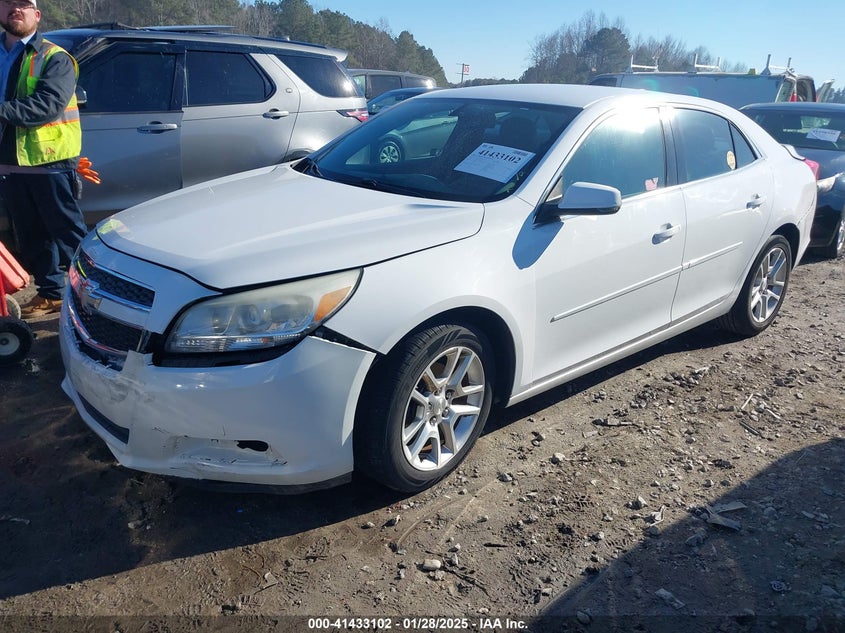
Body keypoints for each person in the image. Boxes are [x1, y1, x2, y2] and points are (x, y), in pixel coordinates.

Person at [0, 0, 86, 317]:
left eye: (23, 4)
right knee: (31, 235)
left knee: (69, 234)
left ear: (36, 15)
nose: (15, 9)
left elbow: (46, 105)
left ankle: (98, 293)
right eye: (8, 3)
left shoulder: (54, 57)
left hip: (49, 163)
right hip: (9, 163)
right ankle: (52, 294)